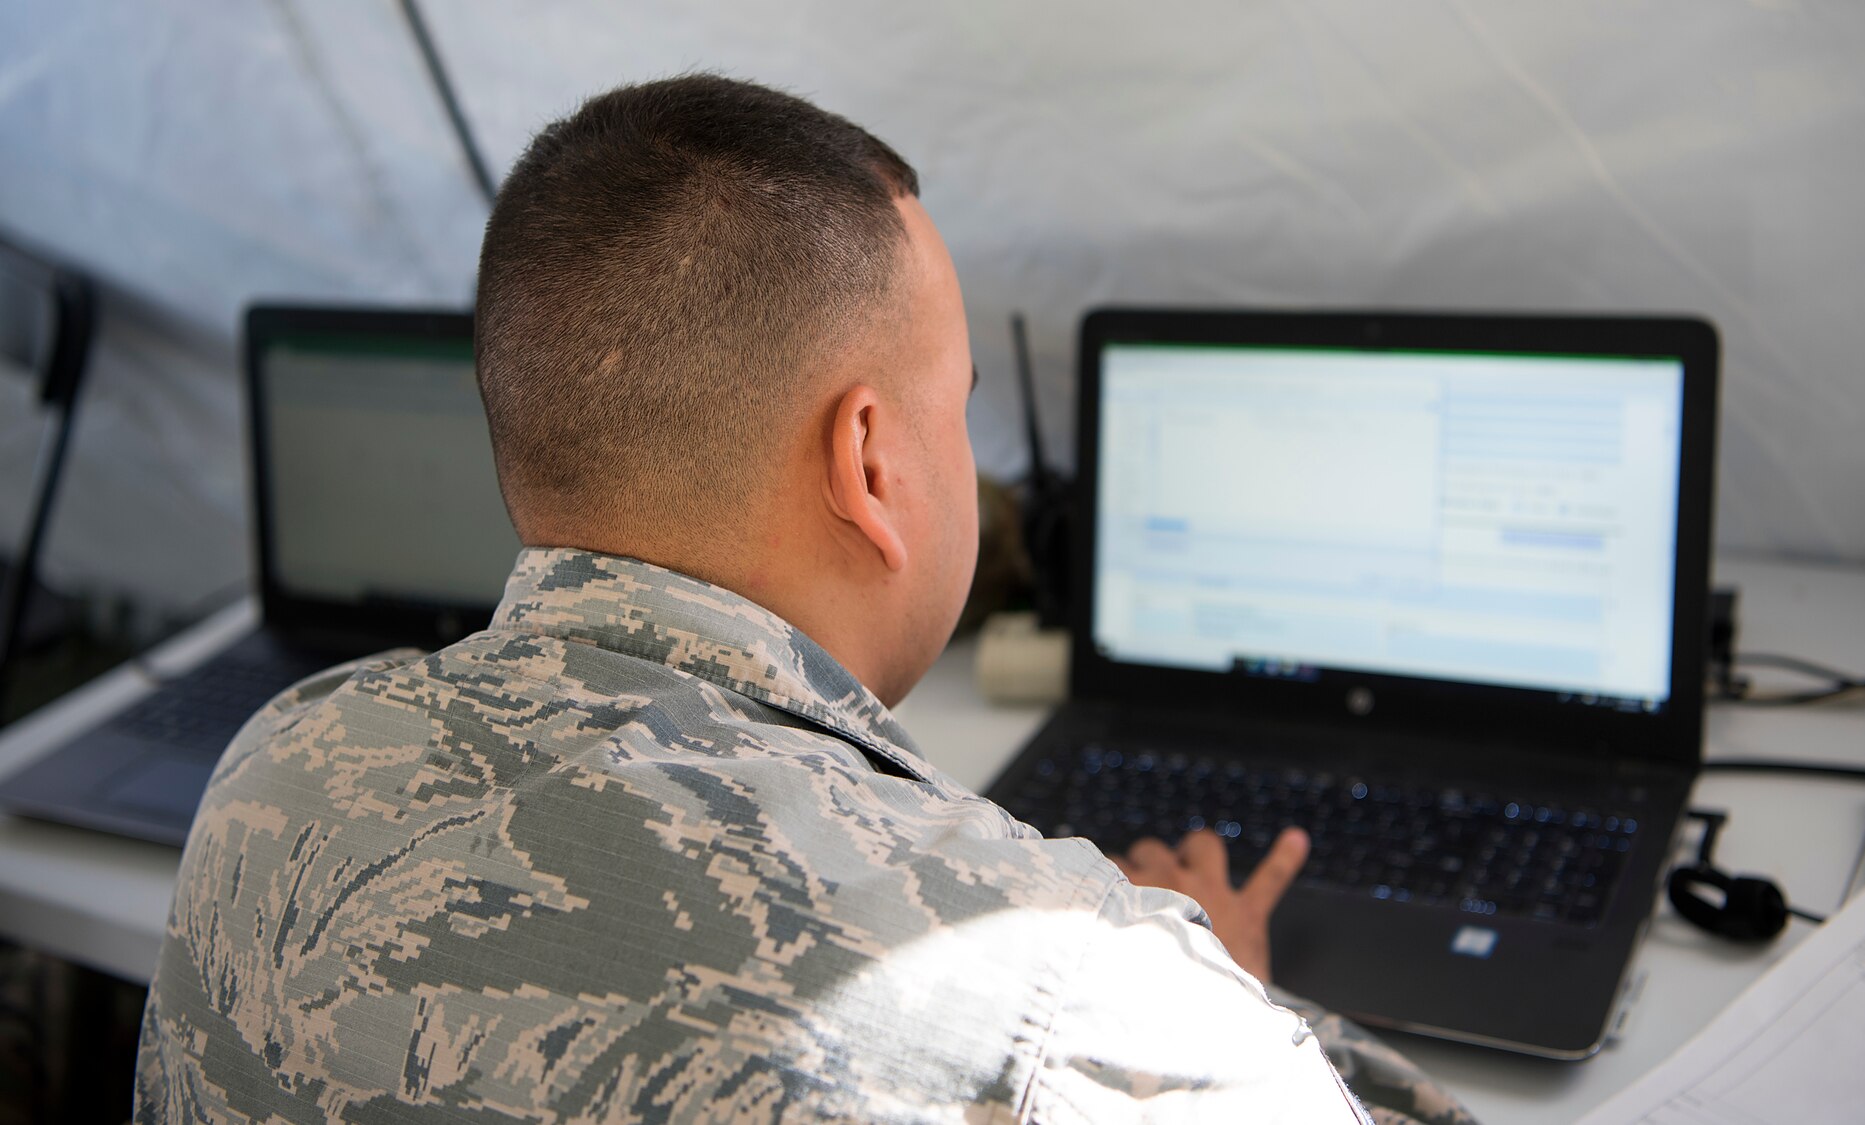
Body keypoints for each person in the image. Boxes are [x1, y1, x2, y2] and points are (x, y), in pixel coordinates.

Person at [134, 75, 1475, 1124]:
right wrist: (1224, 989)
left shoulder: (276, 774)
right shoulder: (1070, 992)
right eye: (959, 407)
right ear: (871, 459)